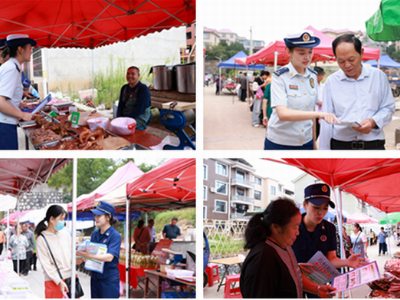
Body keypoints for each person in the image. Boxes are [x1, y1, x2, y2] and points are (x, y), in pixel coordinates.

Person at [240, 198, 336, 298]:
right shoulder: (262, 258)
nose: (298, 233)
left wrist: (317, 289)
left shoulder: (285, 246)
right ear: (276, 227)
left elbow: (292, 280)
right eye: (295, 227)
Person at [264, 31, 340, 150]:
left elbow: (311, 109)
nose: (307, 57)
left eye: (310, 52)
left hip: (306, 142)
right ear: (289, 52)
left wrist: (314, 142)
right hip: (281, 143)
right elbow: (282, 114)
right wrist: (320, 114)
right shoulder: (280, 77)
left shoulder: (312, 76)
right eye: (301, 52)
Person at [320, 34, 395, 150]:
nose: (347, 65)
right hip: (341, 146)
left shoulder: (378, 77)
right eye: (341, 61)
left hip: (373, 146)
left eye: (351, 59)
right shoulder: (331, 82)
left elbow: (388, 108)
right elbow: (326, 118)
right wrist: (324, 153)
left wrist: (373, 121)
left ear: (362, 53)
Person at [292, 183, 365, 298]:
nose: (321, 213)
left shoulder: (329, 228)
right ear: (305, 205)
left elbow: (331, 258)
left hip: (317, 282)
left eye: (325, 208)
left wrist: (346, 262)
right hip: (294, 281)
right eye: (316, 208)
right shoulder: (292, 226)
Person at [76, 201, 121, 298]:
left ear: (108, 217)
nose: (95, 218)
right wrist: (84, 257)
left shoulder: (115, 236)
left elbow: (109, 257)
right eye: (95, 215)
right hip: (95, 278)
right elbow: (91, 252)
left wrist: (89, 256)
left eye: (99, 215)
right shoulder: (95, 234)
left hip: (108, 280)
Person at [0, 34, 36, 150]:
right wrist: (23, 115)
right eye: (29, 48)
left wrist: (18, 103)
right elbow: (0, 102)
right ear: (20, 50)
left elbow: (5, 96)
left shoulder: (13, 67)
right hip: (4, 125)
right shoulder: (11, 69)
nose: (31, 52)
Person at [36, 205, 71, 298]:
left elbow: (71, 257)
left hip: (70, 279)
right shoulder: (42, 239)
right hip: (53, 281)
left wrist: (81, 259)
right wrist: (59, 281)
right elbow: (46, 265)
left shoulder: (66, 235)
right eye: (61, 219)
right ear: (52, 219)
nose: (63, 222)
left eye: (64, 219)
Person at [116, 66, 151, 131]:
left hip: (140, 117)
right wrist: (119, 119)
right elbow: (120, 105)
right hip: (126, 117)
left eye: (133, 74)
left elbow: (140, 109)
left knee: (125, 129)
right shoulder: (124, 88)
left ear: (138, 75)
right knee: (116, 128)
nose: (130, 76)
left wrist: (124, 120)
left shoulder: (143, 89)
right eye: (128, 73)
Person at [314, 67, 325, 140]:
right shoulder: (312, 86)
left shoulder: (323, 85)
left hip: (322, 112)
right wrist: (318, 102)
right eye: (321, 75)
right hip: (314, 113)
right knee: (314, 132)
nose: (323, 77)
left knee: (320, 132)